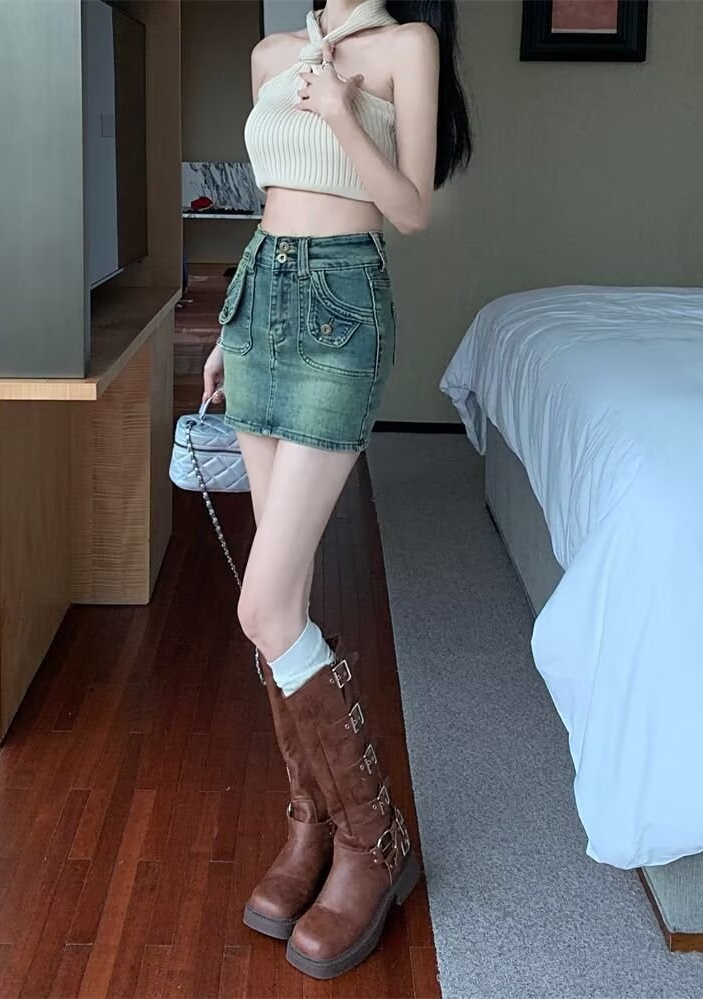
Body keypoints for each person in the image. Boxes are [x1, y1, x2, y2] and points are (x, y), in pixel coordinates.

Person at [202, 0, 471, 980]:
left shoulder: (407, 46)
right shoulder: (270, 51)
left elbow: (411, 210)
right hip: (258, 303)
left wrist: (345, 117)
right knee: (282, 608)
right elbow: (271, 199)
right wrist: (230, 331)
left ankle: (373, 840)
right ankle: (312, 821)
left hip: (339, 309)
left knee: (262, 606)